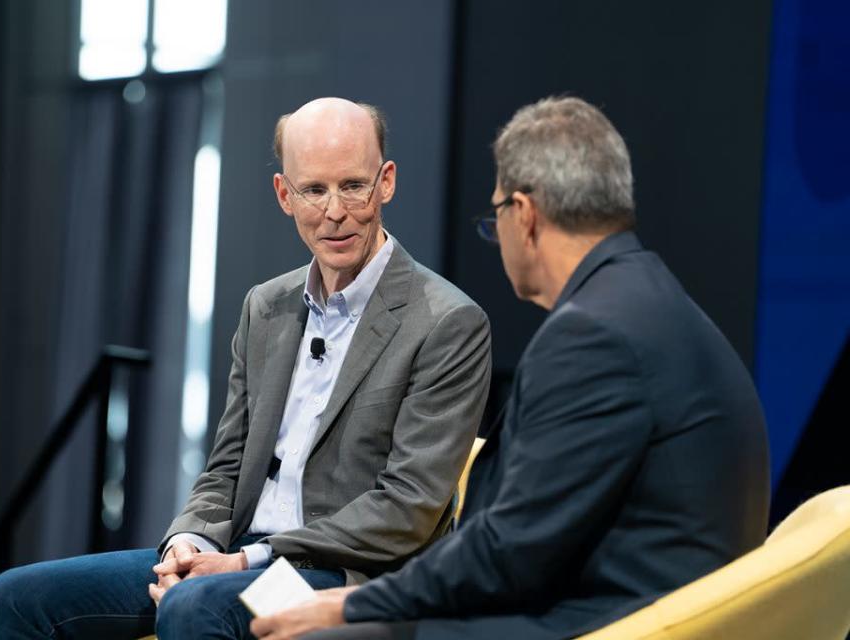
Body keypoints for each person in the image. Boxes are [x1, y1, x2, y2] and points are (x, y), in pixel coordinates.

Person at [250, 96, 771, 640]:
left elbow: (510, 549)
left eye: (494, 214)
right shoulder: (648, 301)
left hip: (602, 621)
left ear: (523, 216)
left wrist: (350, 605)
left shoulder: (595, 335)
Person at [0, 97, 492, 639]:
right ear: (284, 196)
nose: (335, 211)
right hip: (234, 556)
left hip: (344, 574)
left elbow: (406, 508)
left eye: (353, 186)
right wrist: (190, 543)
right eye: (314, 190)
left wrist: (246, 562)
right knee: (17, 597)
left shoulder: (447, 321)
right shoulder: (266, 307)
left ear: (385, 182)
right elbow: (225, 467)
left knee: (195, 606)